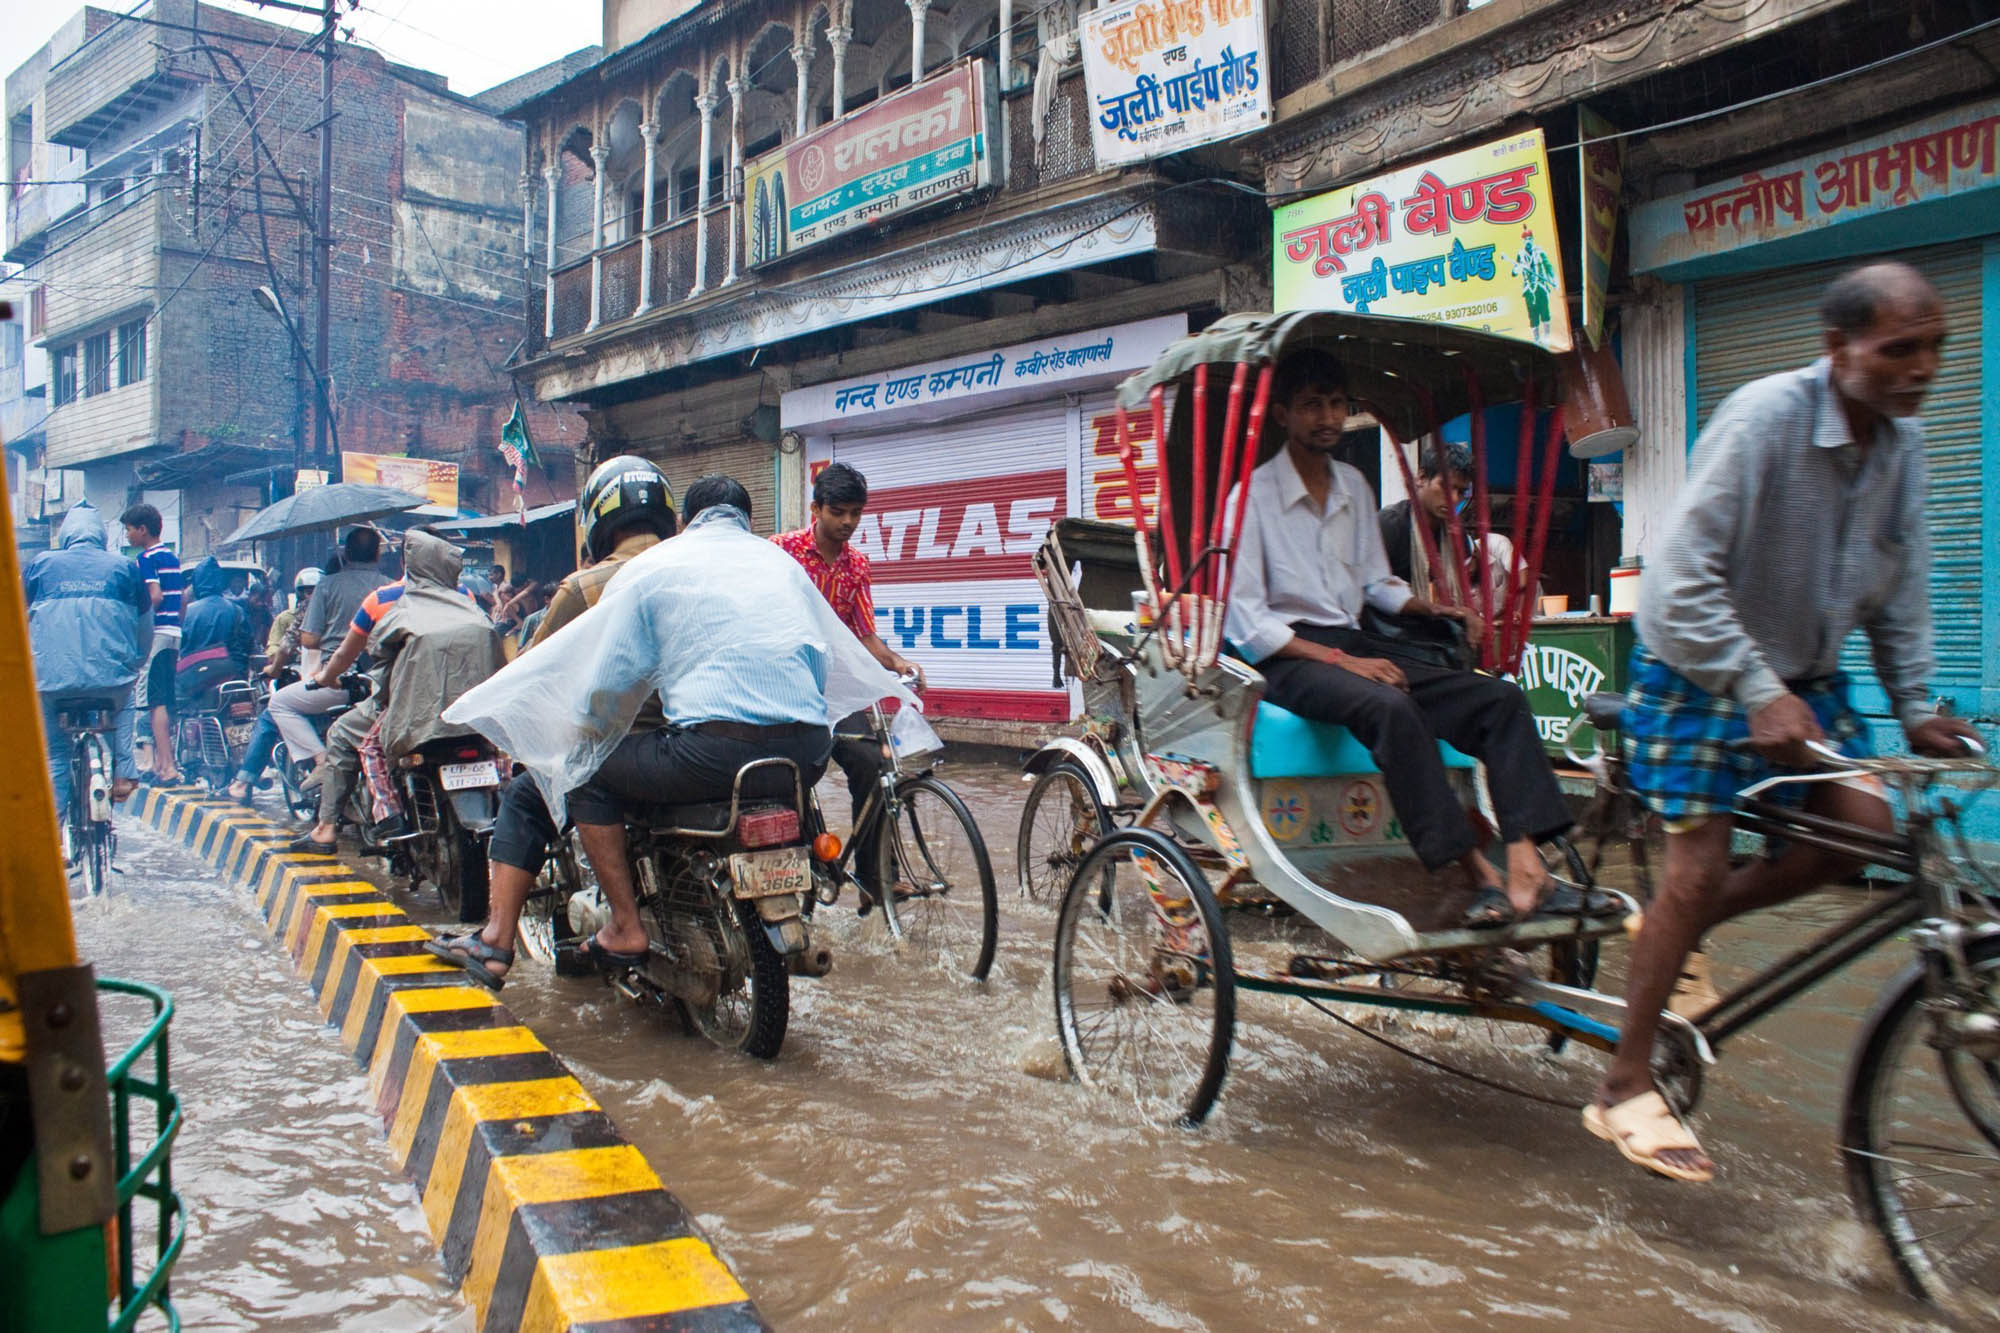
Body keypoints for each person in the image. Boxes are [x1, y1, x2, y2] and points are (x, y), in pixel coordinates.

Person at [1586, 262, 1980, 1183]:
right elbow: (1677, 583)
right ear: (1838, 349)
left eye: (1934, 349)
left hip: (1802, 680)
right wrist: (1753, 684)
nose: (1921, 368)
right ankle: (1621, 1083)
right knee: (1694, 868)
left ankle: (1669, 936)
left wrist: (1916, 707)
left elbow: (1902, 589)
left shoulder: (1905, 447)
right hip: (1695, 670)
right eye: (1899, 349)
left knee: (1864, 829)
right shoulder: (1767, 418)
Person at [428, 472, 914, 989]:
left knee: (584, 772)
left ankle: (617, 927)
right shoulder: (782, 565)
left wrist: (583, 734)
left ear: (686, 522)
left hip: (710, 753)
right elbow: (822, 657)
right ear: (745, 523)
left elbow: (609, 682)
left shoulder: (653, 568)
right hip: (807, 755)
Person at [1224, 348, 1599, 927]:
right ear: (1282, 415)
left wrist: (1435, 606)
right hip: (1287, 658)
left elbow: (1377, 584)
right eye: (1310, 406)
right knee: (1392, 707)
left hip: (1351, 643)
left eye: (1334, 405)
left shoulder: (1352, 485)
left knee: (1497, 701)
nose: (1326, 418)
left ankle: (1528, 870)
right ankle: (1478, 875)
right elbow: (1249, 624)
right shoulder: (1250, 498)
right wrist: (1345, 664)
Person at [424, 455, 680, 985]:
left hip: (620, 745)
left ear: (599, 520)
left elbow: (534, 673)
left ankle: (495, 941)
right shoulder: (697, 574)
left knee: (523, 797)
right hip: (697, 741)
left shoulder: (585, 587)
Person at [773, 461, 926, 910]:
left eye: (855, 513)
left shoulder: (857, 565)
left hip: (834, 689)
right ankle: (798, 866)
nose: (847, 523)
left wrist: (897, 663)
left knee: (872, 764)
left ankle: (876, 878)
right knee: (790, 776)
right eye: (838, 512)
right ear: (816, 508)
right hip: (784, 686)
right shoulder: (781, 552)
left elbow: (863, 632)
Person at [339, 531, 503, 842]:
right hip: (477, 707)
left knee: (372, 747)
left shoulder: (399, 605)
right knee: (499, 747)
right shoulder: (469, 603)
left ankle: (388, 814)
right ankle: (504, 797)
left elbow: (377, 651)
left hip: (420, 707)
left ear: (409, 563)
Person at [26, 503, 149, 819]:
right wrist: (136, 664)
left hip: (50, 682)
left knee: (55, 754)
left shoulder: (40, 566)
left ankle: (56, 835)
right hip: (111, 682)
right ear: (102, 536)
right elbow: (144, 627)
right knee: (126, 700)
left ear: (66, 535)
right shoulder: (125, 568)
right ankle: (123, 773)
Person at [261, 528, 388, 781]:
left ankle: (321, 761)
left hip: (341, 680)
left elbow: (310, 638)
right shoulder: (390, 587)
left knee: (279, 703)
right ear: (377, 555)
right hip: (386, 678)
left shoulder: (328, 586)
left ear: (346, 553)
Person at [1378, 441, 1538, 615]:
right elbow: (1373, 589)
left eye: (1461, 492)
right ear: (1422, 478)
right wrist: (1444, 612)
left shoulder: (1455, 534)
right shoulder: (1390, 524)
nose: (1454, 498)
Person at [225, 566, 324, 805]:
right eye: (306, 592)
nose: (310, 597)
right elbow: (273, 650)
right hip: (306, 680)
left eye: (315, 591)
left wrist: (277, 664)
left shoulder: (304, 618)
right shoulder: (286, 618)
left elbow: (281, 651)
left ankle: (244, 781)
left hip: (318, 685)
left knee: (270, 717)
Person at [120, 503, 183, 783]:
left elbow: (154, 596)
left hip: (156, 635)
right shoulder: (171, 556)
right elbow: (180, 600)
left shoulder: (145, 559)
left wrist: (136, 616)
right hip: (174, 634)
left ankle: (167, 766)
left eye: (129, 530)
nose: (128, 536)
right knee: (166, 700)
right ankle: (161, 763)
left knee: (155, 702)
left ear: (142, 530)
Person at [174, 557, 252, 709]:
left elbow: (178, 646)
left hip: (193, 681)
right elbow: (247, 645)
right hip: (231, 679)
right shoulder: (236, 610)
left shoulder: (187, 613)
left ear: (197, 582)